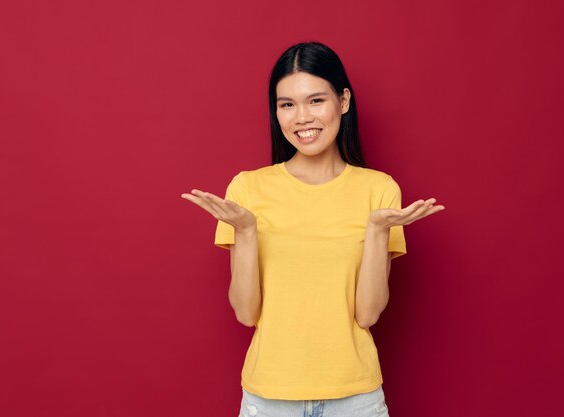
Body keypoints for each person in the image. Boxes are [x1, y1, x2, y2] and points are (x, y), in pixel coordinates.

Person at [181, 41, 445, 417]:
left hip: (356, 399)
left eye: (316, 101)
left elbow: (367, 315)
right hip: (269, 398)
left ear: (344, 101)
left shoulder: (379, 189)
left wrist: (375, 230)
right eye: (287, 105)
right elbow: (245, 312)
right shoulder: (247, 190)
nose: (301, 117)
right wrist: (246, 231)